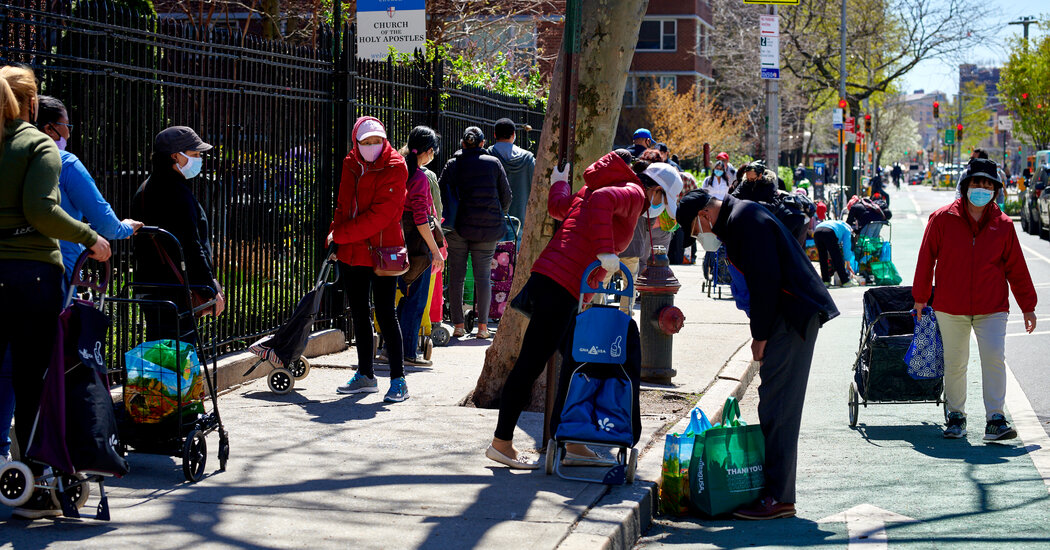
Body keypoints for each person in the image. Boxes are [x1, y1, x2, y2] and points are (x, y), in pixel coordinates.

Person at [486, 150, 657, 469]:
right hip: (561, 285)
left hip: (556, 281)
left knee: (580, 361)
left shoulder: (589, 189)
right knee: (531, 363)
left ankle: (573, 442)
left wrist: (560, 183)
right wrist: (607, 251)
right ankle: (501, 444)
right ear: (654, 188)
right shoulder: (633, 191)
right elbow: (605, 201)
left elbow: (558, 208)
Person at [676, 188, 838, 520]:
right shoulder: (739, 218)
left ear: (704, 216)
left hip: (789, 317)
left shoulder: (743, 221)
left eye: (696, 231)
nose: (700, 237)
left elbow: (765, 282)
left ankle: (779, 497)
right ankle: (775, 492)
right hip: (787, 315)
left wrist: (759, 336)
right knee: (774, 402)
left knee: (779, 406)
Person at [0, 65, 111, 519]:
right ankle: (34, 483)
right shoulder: (36, 145)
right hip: (32, 276)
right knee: (32, 381)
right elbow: (41, 210)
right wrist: (90, 237)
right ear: (31, 103)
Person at [912, 158, 1037, 440]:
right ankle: (956, 416)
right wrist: (920, 298)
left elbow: (1017, 267)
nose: (982, 188)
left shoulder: (1004, 225)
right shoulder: (942, 219)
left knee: (994, 359)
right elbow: (925, 259)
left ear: (996, 189)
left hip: (992, 307)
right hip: (950, 306)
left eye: (988, 184)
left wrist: (1028, 306)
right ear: (966, 185)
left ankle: (996, 419)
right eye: (977, 183)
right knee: (956, 362)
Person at [327, 117, 410, 401]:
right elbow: (343, 204)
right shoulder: (351, 163)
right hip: (352, 249)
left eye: (377, 141)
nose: (372, 146)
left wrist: (340, 234)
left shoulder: (396, 165)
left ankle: (398, 379)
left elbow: (382, 216)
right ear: (357, 143)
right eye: (366, 142)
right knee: (359, 312)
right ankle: (365, 374)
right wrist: (334, 236)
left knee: (386, 312)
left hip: (383, 249)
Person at [132, 126, 225, 346]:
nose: (199, 159)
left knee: (160, 356)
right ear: (176, 156)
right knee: (179, 360)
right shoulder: (177, 193)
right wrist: (209, 288)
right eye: (194, 154)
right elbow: (191, 246)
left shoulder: (145, 189)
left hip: (149, 286)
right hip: (176, 291)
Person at [37, 95, 142, 291]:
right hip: (56, 270)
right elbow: (105, 222)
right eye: (66, 125)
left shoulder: (10, 159)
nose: (68, 133)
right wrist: (125, 228)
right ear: (49, 128)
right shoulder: (66, 163)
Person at [439, 126, 512, 339]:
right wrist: (496, 213)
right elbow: (506, 196)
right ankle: (482, 328)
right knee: (483, 276)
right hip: (487, 229)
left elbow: (442, 193)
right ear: (482, 144)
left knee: (457, 276)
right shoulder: (494, 163)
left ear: (463, 144)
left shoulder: (453, 164)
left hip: (458, 228)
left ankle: (459, 325)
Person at [390, 126, 444, 368]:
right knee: (416, 299)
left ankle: (394, 348)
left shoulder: (397, 169)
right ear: (430, 151)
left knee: (402, 295)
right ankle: (408, 352)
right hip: (417, 248)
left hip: (395, 242)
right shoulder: (420, 177)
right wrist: (435, 251)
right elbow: (422, 218)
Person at [488, 118, 535, 234]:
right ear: (514, 135)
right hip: (520, 222)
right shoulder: (528, 160)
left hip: (491, 222)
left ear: (495, 134)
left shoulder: (487, 156)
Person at [813, 219, 855, 287]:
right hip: (829, 233)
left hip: (817, 232)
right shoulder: (847, 230)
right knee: (836, 257)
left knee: (822, 257)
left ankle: (825, 281)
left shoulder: (837, 223)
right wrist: (848, 263)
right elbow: (846, 247)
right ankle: (845, 281)